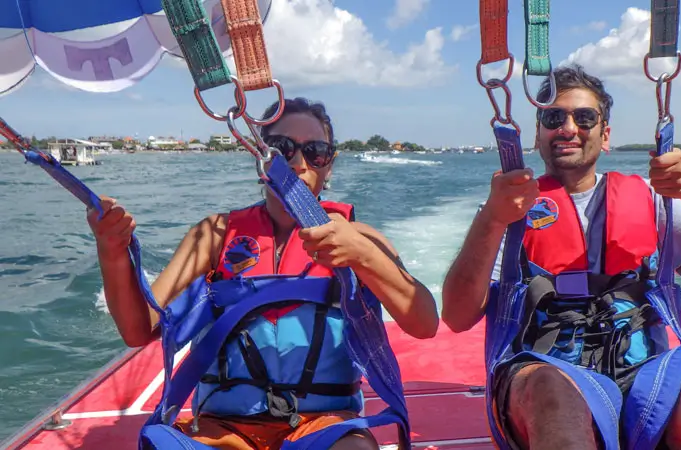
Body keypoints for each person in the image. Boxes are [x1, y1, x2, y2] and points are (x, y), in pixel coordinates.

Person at [442, 64, 681, 450]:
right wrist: (493, 218)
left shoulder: (653, 199)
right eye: (553, 117)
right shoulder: (505, 214)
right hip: (547, 375)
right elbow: (458, 316)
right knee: (555, 392)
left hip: (649, 381)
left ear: (605, 134)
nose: (568, 127)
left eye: (584, 117)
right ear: (538, 133)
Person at [87, 97, 439, 450]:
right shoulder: (214, 235)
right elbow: (138, 329)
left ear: (329, 165)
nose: (299, 163)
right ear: (262, 158)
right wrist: (113, 252)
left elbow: (425, 323)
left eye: (315, 151)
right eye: (283, 149)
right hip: (224, 428)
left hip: (326, 427)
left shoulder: (360, 237)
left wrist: (364, 257)